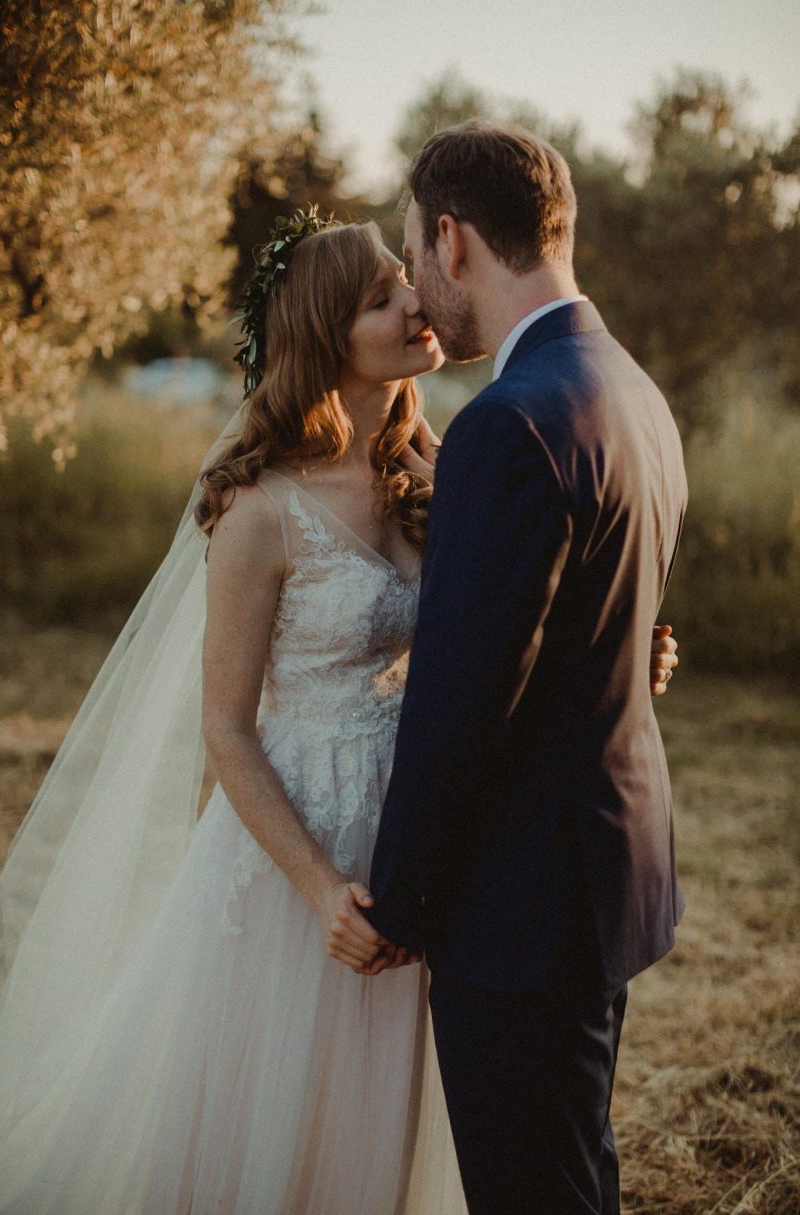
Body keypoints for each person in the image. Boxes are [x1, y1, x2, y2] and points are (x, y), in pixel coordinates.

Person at [0, 204, 678, 1214]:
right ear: (326, 336)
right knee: (272, 1124)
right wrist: (322, 894)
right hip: (299, 867)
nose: (418, 301)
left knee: (382, 1130)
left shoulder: (439, 472)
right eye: (382, 298)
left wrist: (622, 646)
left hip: (420, 844)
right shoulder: (260, 511)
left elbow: (506, 631)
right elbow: (224, 730)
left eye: (409, 280)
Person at [364, 121, 688, 1215]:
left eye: (413, 255)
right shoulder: (626, 388)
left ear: (453, 241)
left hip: (520, 906)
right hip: (602, 874)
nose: (415, 287)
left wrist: (398, 904)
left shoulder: (510, 421)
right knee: (571, 1167)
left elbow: (458, 707)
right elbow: (590, 601)